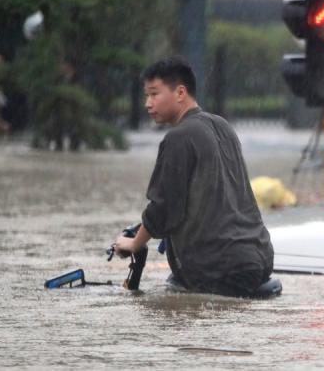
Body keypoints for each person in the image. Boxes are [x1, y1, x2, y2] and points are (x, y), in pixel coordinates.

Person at [112, 57, 274, 297]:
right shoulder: (223, 126)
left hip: (217, 269)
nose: (148, 103)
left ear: (180, 93)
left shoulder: (178, 138)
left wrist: (135, 243)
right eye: (146, 96)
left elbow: (163, 209)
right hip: (260, 259)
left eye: (154, 94)